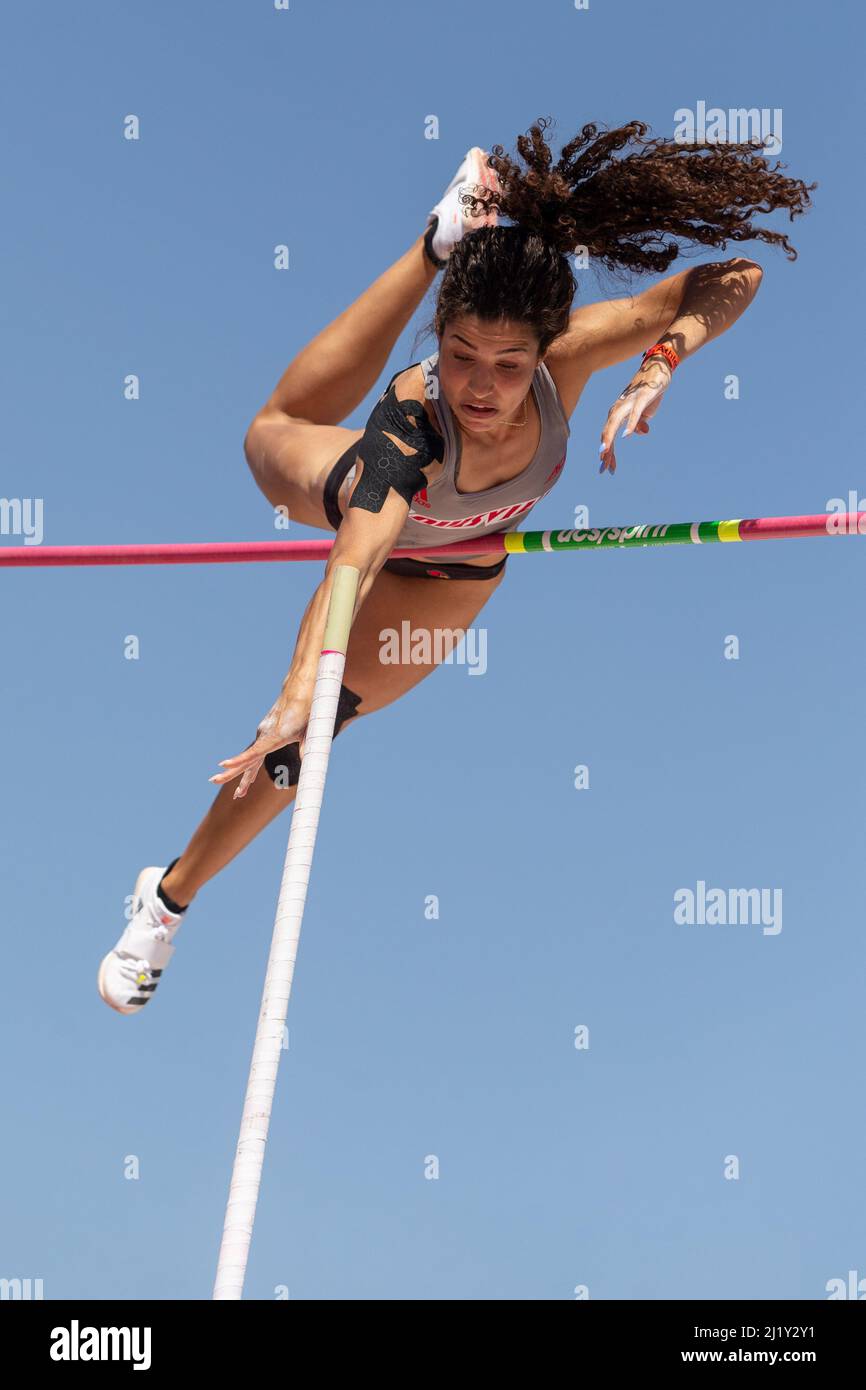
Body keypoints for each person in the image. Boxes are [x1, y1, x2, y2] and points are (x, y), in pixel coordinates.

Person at [98, 117, 814, 1013]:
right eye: (461, 354)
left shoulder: (576, 352)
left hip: (451, 574)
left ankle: (164, 892)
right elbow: (352, 563)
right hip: (370, 513)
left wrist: (663, 358)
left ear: (546, 348)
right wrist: (294, 688)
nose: (481, 385)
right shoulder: (416, 420)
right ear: (441, 340)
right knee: (271, 439)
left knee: (313, 744)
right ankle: (438, 244)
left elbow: (733, 275)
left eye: (510, 365)